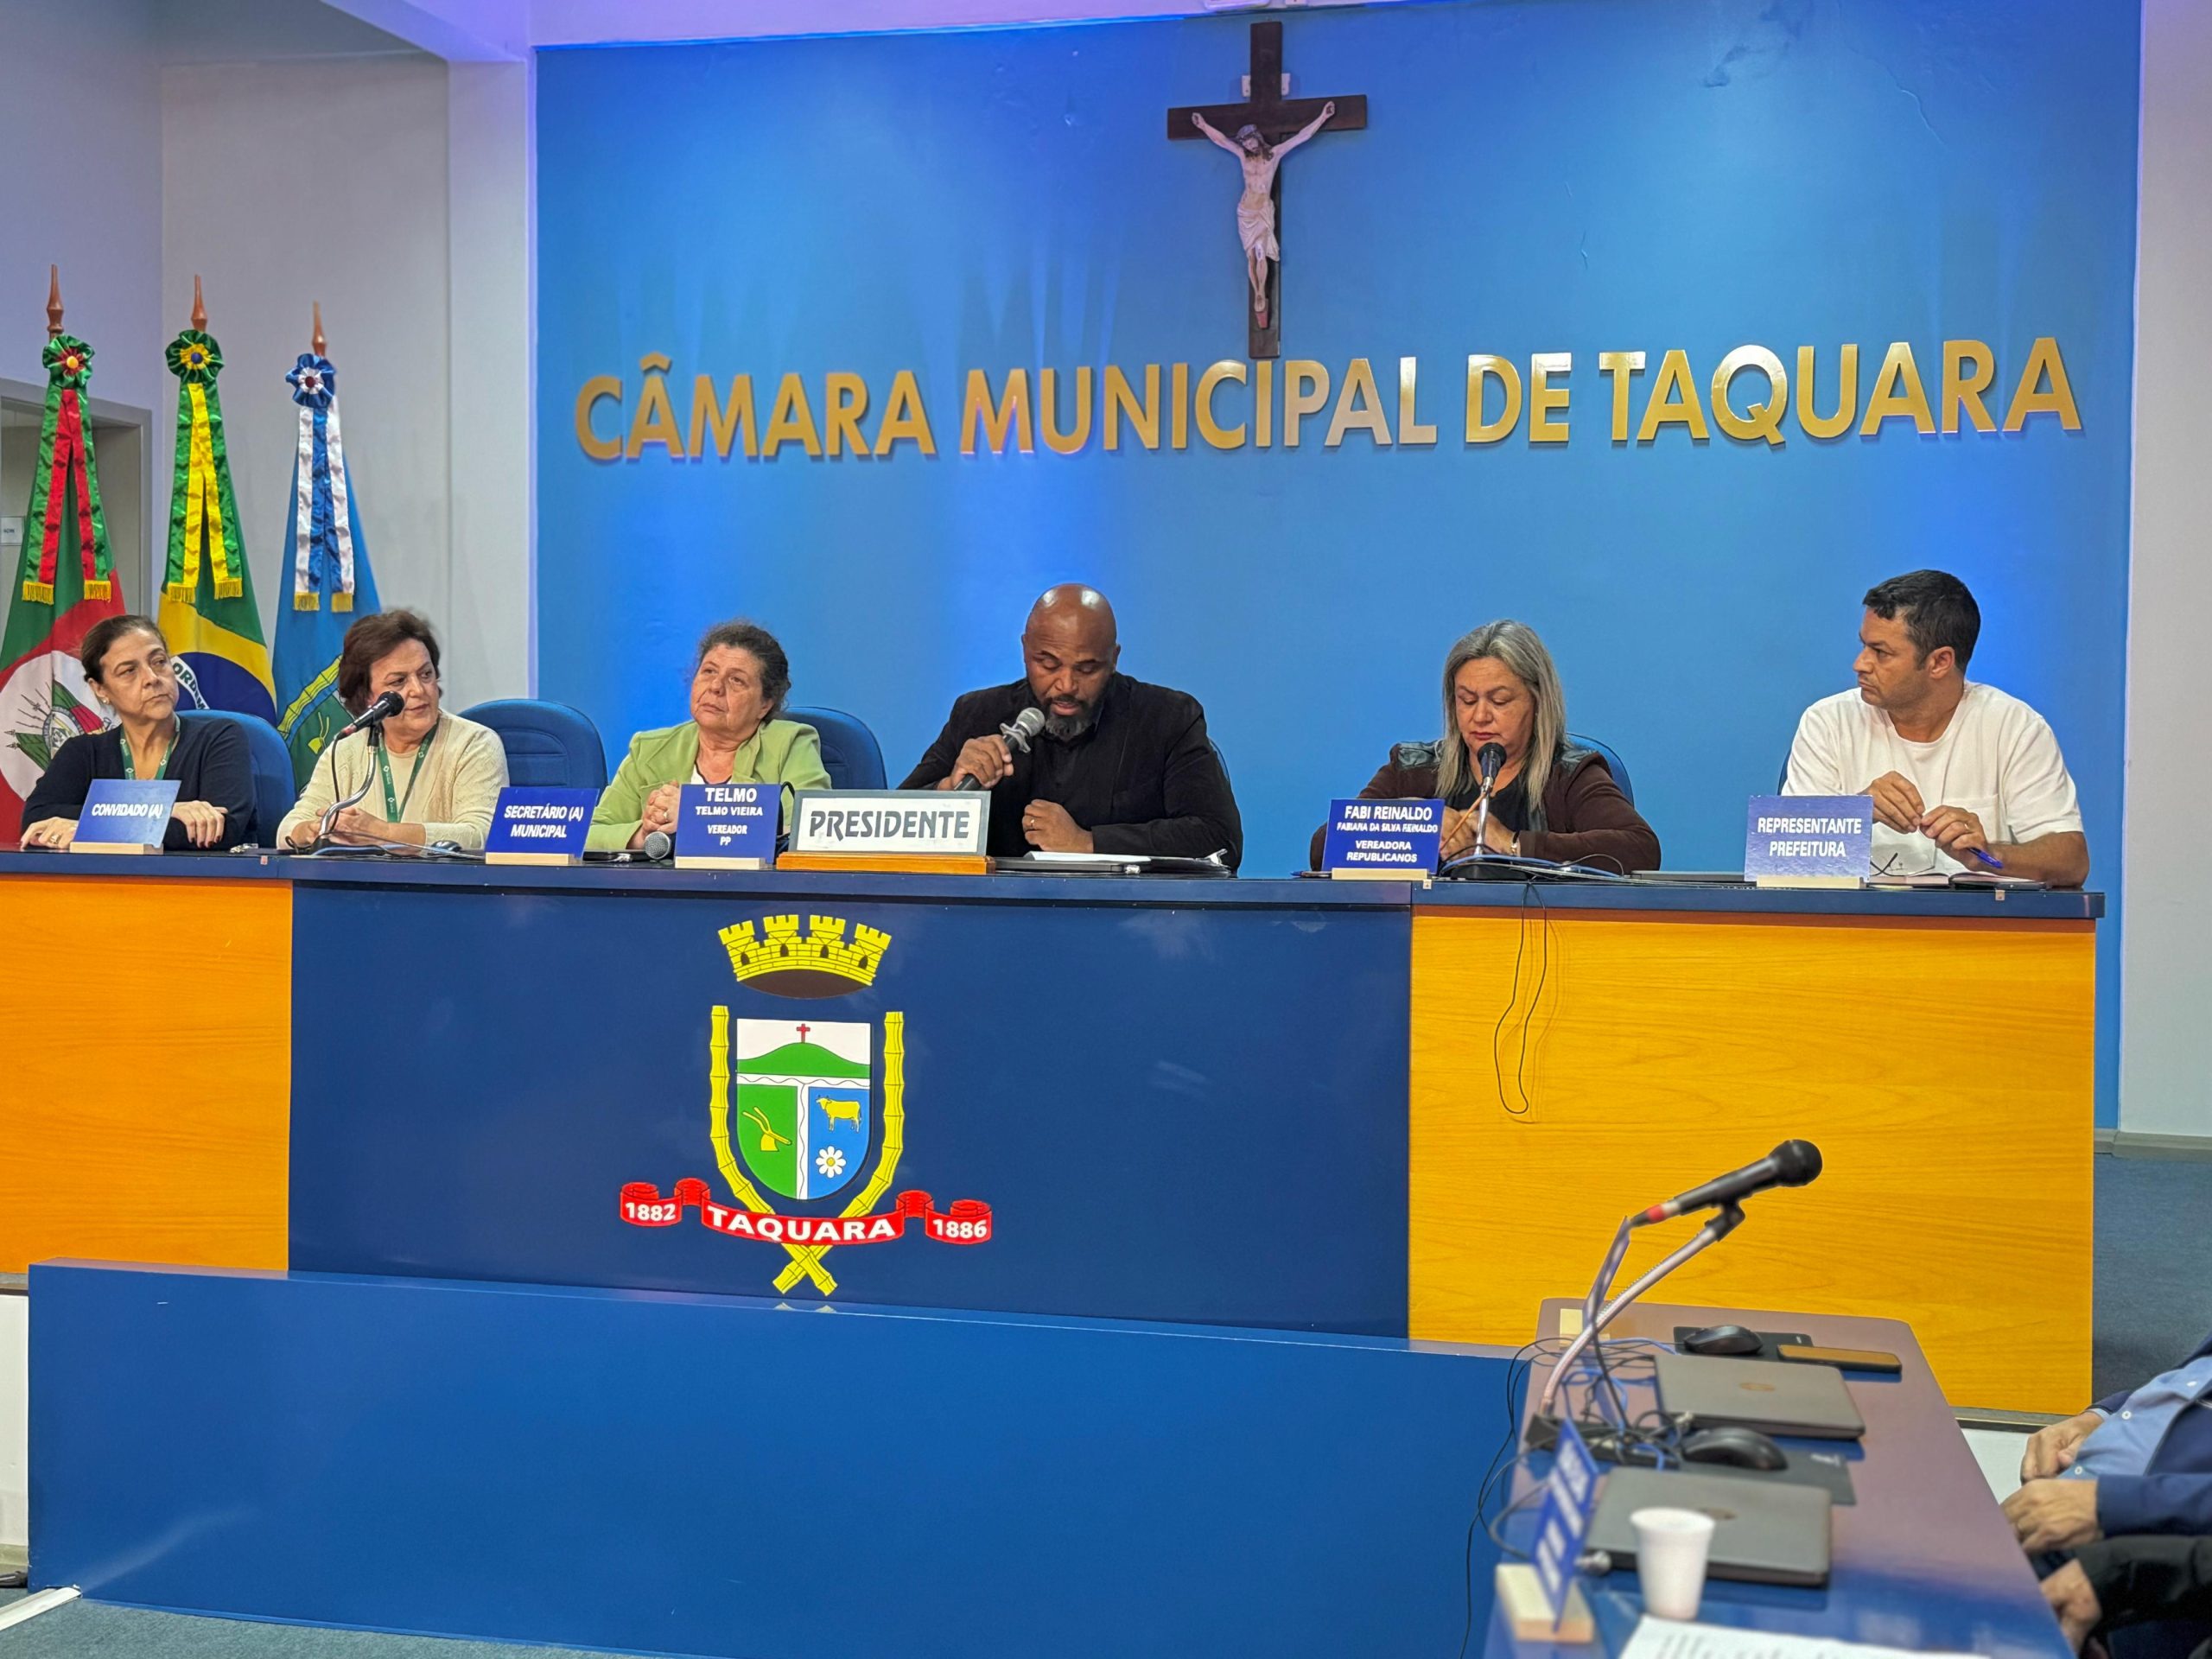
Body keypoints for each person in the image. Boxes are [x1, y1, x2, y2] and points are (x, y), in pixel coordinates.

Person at [1783, 570, 2089, 886]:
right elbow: (1782, 858)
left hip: (1972, 930)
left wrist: (1987, 855)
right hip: (1854, 928)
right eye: (1864, 646)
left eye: (1881, 652)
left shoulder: (2014, 727)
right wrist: (1856, 812)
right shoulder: (1828, 722)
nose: (1860, 664)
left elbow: (2071, 860)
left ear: (1940, 662)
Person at [901, 584, 1242, 867]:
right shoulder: (976, 714)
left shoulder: (1167, 719)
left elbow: (1219, 840)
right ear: (1025, 651)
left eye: (1087, 669)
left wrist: (1089, 843)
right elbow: (885, 828)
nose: (1066, 685)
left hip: (1128, 926)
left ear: (1113, 659)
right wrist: (949, 791)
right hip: (996, 924)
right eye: (1048, 664)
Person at [1309, 620, 1660, 873]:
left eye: (1500, 700)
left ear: (1537, 703)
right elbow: (1323, 848)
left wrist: (1510, 843)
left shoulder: (1568, 773)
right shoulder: (1413, 769)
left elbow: (1639, 849)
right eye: (1466, 700)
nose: (1480, 717)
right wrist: (1412, 821)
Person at [588, 620, 830, 852]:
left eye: (736, 680)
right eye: (709, 671)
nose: (715, 686)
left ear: (765, 704)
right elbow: (589, 834)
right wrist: (645, 836)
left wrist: (695, 816)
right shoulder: (650, 750)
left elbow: (810, 833)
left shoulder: (788, 744)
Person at [19, 613, 255, 850]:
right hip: (102, 885)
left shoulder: (220, 738)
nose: (152, 678)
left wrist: (87, 827)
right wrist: (166, 811)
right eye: (129, 671)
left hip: (196, 884)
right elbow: (37, 820)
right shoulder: (83, 752)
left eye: (159, 661)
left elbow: (220, 829)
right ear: (100, 689)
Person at [276, 609, 507, 850]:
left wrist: (383, 833)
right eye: (399, 681)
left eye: (426, 674)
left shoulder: (474, 744)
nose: (419, 689)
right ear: (367, 696)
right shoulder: (345, 751)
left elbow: (483, 834)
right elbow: (286, 831)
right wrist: (313, 829)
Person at [2004, 1326, 2212, 1557]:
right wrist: (2100, 1417)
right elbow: (2193, 1378)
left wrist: (2109, 1505)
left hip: (2120, 1562)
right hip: (2050, 1518)